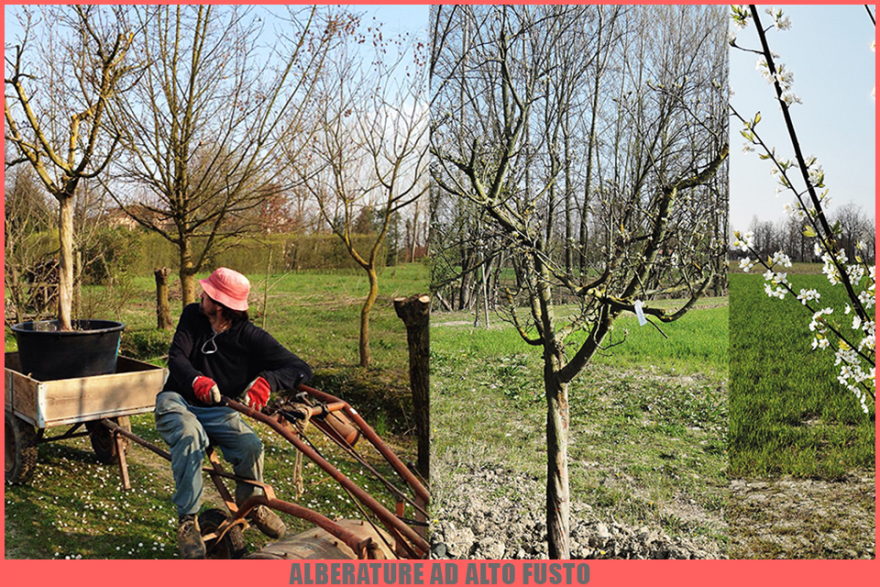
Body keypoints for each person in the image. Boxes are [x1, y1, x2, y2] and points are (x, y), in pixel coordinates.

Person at [154, 267, 312, 559]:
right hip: (177, 399)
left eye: (208, 293)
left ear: (221, 305)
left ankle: (253, 506)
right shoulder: (193, 316)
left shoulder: (251, 337)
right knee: (191, 436)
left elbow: (300, 367)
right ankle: (188, 521)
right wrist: (195, 380)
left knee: (250, 445)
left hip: (218, 409)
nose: (202, 295)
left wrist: (268, 382)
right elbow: (176, 357)